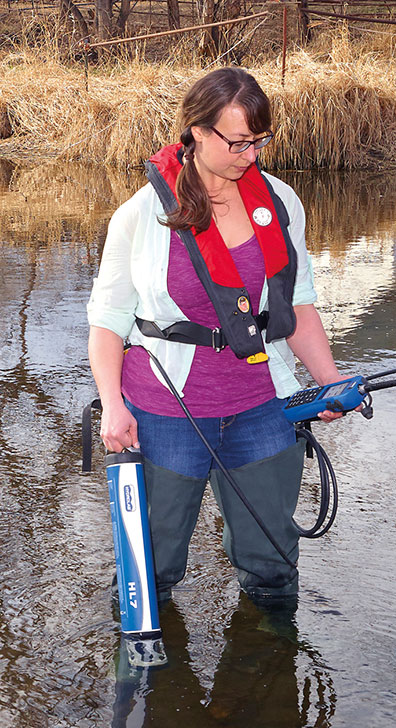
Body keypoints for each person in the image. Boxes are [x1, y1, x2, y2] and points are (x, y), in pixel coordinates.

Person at [87, 67, 346, 603]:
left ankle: (269, 665)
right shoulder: (141, 215)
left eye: (259, 141)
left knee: (272, 564)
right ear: (198, 132)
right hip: (166, 413)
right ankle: (142, 675)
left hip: (262, 408)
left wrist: (329, 381)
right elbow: (108, 322)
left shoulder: (280, 203)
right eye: (237, 142)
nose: (250, 155)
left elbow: (296, 303)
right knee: (150, 569)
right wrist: (113, 405)